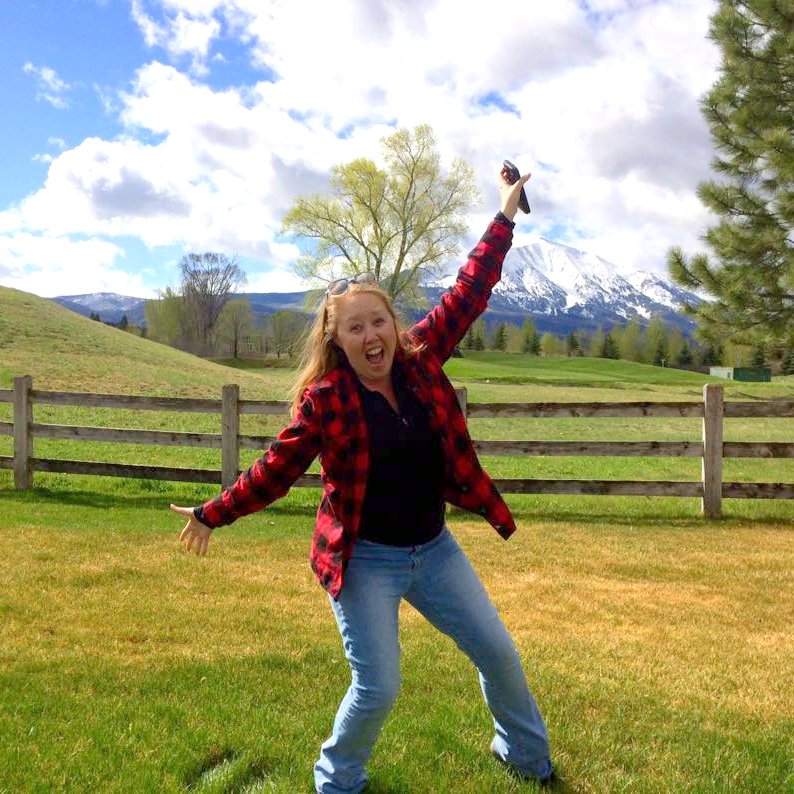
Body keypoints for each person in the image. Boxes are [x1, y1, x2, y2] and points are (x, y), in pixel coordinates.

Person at [171, 166, 554, 793]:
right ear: (337, 337)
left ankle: (526, 758)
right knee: (378, 685)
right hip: (364, 560)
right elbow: (275, 470)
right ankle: (337, 779)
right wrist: (213, 513)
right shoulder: (326, 402)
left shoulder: (421, 359)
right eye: (355, 327)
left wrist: (505, 216)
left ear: (391, 325)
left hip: (434, 551)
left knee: (499, 654)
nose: (371, 335)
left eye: (378, 322)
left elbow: (469, 289)